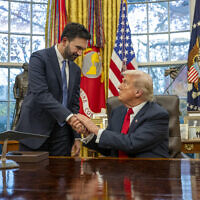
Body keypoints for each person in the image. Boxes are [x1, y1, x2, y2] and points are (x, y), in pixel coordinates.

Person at [15, 23, 91, 156]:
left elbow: (73, 104)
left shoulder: (75, 70)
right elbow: (41, 94)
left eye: (82, 49)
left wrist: (76, 136)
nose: (80, 53)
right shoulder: (38, 58)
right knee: (30, 176)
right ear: (65, 41)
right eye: (78, 48)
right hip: (35, 132)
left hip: (62, 137)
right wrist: (69, 118)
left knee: (61, 175)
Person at [77, 70, 170, 158]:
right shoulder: (117, 112)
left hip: (145, 171)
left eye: (125, 83)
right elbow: (109, 148)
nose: (119, 86)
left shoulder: (157, 115)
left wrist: (96, 130)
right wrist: (88, 134)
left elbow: (132, 144)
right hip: (118, 171)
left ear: (138, 92)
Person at [12, 63, 29, 130]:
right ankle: (14, 128)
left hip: (29, 99)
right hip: (20, 98)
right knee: (18, 113)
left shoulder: (31, 77)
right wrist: (15, 95)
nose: (28, 67)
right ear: (23, 67)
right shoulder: (18, 77)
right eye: (27, 66)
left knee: (28, 114)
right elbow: (15, 87)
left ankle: (27, 129)